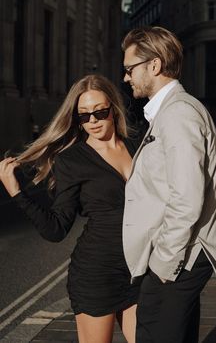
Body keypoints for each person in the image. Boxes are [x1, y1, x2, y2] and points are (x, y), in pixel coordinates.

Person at [0, 74, 142, 343]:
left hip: (138, 270)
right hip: (96, 273)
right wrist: (17, 192)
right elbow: (56, 229)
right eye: (84, 116)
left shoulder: (137, 146)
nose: (93, 121)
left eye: (100, 112)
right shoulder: (72, 161)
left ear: (113, 107)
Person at [121, 26, 216, 343]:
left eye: (130, 69)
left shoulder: (179, 115)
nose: (126, 78)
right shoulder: (169, 113)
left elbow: (187, 198)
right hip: (182, 258)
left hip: (181, 259)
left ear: (153, 66)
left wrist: (162, 265)